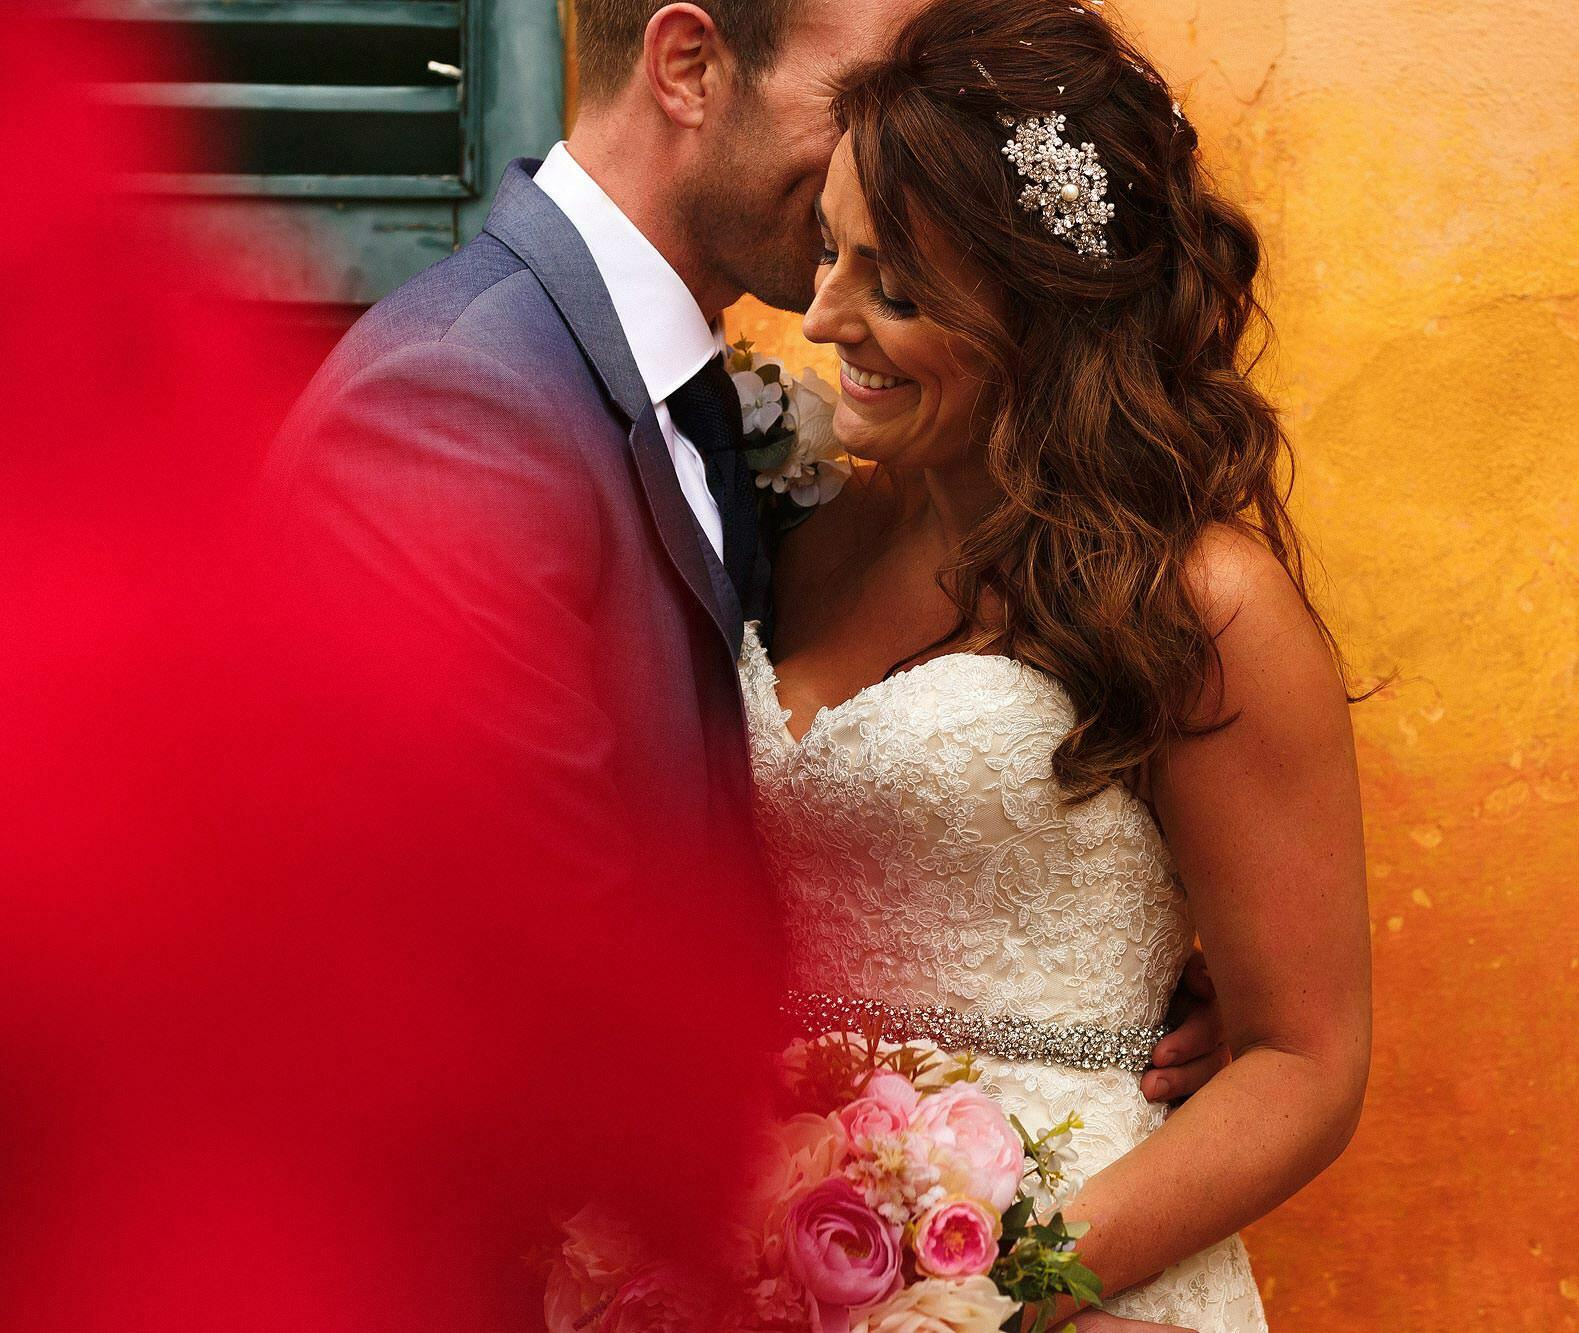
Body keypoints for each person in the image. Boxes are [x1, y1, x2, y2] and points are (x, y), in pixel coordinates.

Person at [262, 2, 1228, 1326]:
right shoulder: (457, 404)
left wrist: (1089, 1000)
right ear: (690, 65)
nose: (892, 152)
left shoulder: (700, 396)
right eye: (862, 94)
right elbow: (523, 965)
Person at [742, 0, 1374, 1326]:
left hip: (1059, 1284)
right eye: (829, 255)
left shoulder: (1202, 606)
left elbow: (1303, 1060)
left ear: (1040, 315)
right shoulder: (793, 523)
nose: (822, 316)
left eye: (895, 288)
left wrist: (988, 1288)